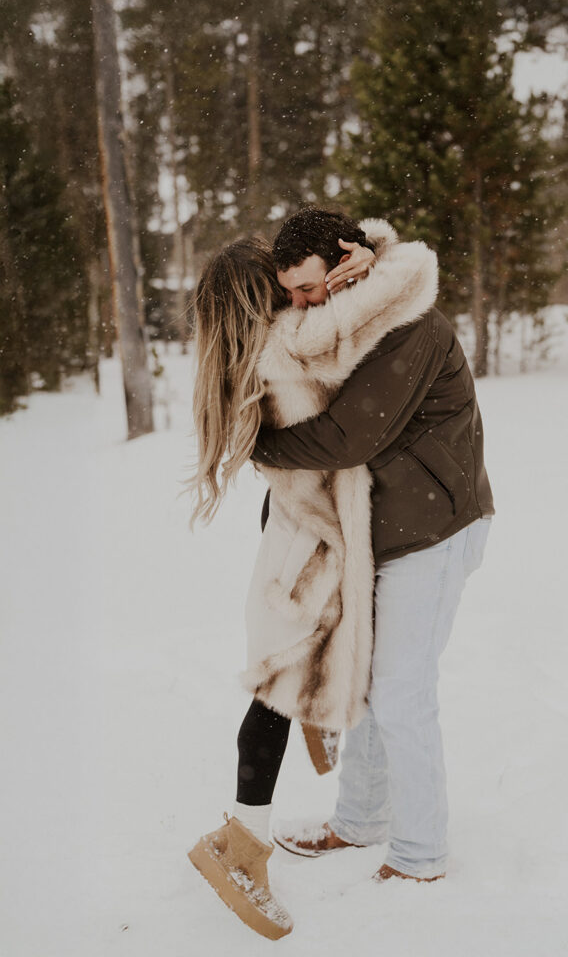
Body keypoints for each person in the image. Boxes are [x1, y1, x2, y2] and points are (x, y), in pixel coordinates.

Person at [187, 209, 440, 939]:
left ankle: (314, 728)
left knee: (292, 674)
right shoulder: (288, 349)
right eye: (285, 290)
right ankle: (240, 846)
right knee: (276, 689)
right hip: (314, 541)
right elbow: (362, 342)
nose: (302, 300)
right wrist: (377, 262)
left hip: (292, 533)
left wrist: (354, 262)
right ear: (260, 300)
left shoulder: (245, 355)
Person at [251, 208, 495, 886]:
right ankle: (359, 821)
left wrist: (252, 444)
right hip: (386, 529)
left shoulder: (404, 323)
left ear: (346, 259)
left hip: (435, 530)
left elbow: (346, 439)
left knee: (400, 690)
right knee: (369, 676)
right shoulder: (345, 319)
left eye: (306, 286)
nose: (298, 304)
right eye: (290, 294)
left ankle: (420, 858)